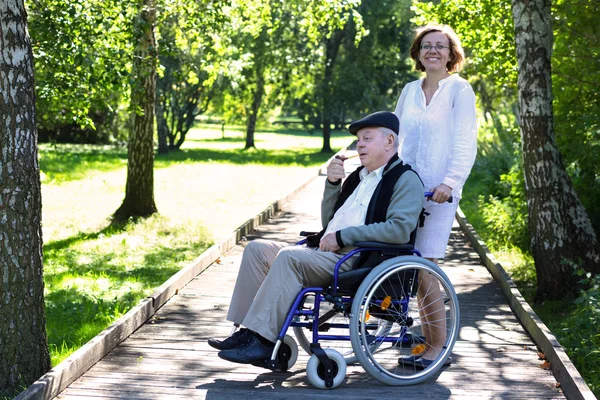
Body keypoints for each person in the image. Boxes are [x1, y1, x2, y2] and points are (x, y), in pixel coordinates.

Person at [208, 111, 425, 365]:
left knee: (290, 257)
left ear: (389, 142)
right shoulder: (358, 177)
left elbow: (399, 230)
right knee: (256, 249)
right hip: (327, 252)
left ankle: (263, 342)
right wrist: (333, 183)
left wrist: (344, 236)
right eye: (358, 140)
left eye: (367, 138)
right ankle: (246, 332)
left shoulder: (405, 179)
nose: (360, 145)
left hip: (357, 260)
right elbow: (329, 223)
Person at [393, 24, 477, 368]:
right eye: (426, 46)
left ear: (451, 54)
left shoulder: (460, 90)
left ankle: (436, 347)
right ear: (418, 53)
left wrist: (450, 182)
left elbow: (464, 142)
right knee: (405, 265)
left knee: (426, 267)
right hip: (404, 189)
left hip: (438, 192)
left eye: (440, 46)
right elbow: (393, 138)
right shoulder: (409, 91)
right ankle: (426, 335)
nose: (432, 51)